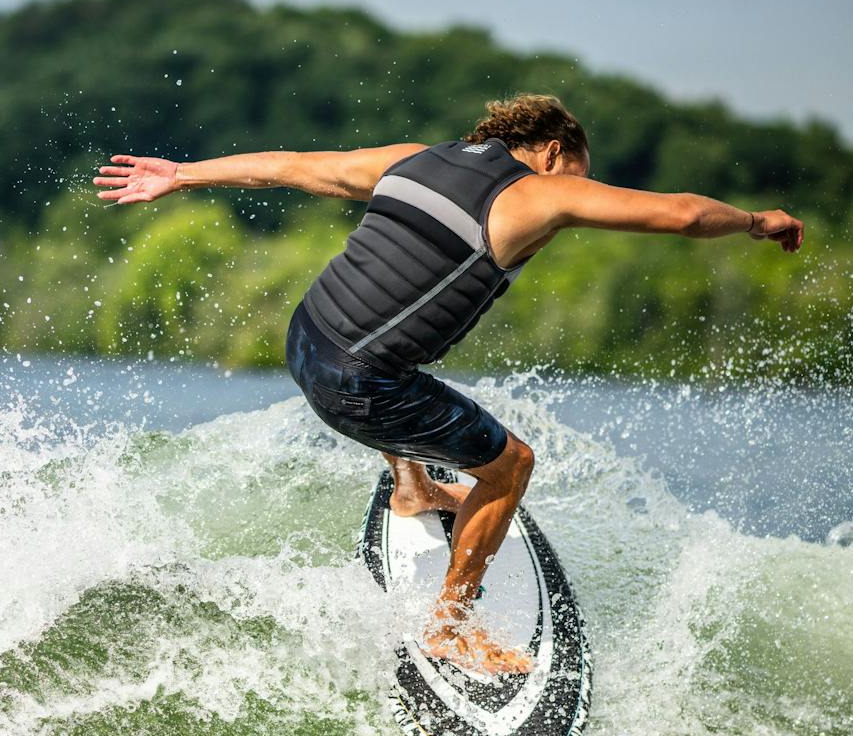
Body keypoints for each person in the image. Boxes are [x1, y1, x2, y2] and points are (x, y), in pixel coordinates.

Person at [95, 94, 803, 674]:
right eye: (578, 174)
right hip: (357, 383)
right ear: (553, 154)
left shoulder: (415, 158)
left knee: (406, 356)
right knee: (511, 464)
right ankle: (450, 626)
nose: (576, 191)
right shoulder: (536, 195)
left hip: (305, 338)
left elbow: (293, 165)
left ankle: (413, 486)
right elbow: (680, 214)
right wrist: (756, 221)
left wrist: (183, 174)